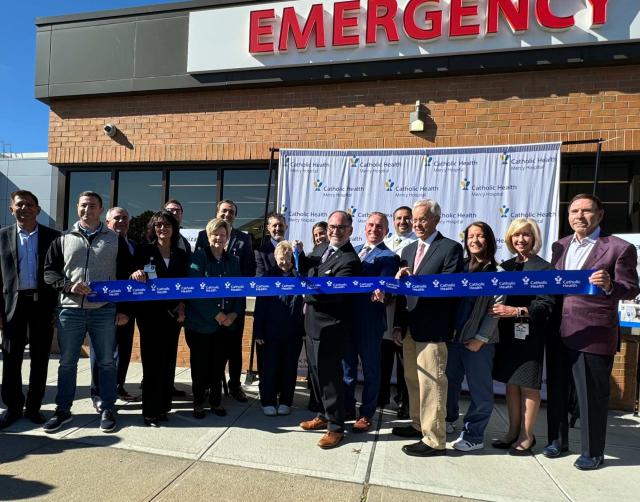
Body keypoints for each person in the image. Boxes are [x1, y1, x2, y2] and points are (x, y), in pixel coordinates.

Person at [549, 194, 639, 470]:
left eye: (586, 211)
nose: (579, 216)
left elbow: (632, 288)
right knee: (556, 390)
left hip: (593, 332)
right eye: (574, 211)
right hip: (558, 330)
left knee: (591, 396)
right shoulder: (560, 245)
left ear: (599, 215)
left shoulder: (619, 248)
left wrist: (611, 284)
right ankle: (557, 440)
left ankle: (592, 452)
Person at [43, 191, 132, 433]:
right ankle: (62, 410)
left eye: (92, 206)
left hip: (104, 311)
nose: (87, 209)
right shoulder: (62, 238)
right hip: (70, 311)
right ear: (77, 207)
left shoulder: (115, 239)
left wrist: (123, 309)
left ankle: (107, 408)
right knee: (67, 363)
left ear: (100, 210)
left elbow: (126, 275)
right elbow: (49, 273)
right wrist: (69, 286)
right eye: (83, 205)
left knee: (105, 363)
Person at [392, 199, 464, 457]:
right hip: (410, 327)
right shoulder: (408, 250)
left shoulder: (451, 249)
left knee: (432, 383)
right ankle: (417, 424)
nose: (417, 223)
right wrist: (399, 324)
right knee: (412, 379)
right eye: (415, 219)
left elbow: (448, 288)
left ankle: (434, 440)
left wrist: (416, 281)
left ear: (436, 219)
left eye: (423, 219)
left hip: (434, 328)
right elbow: (402, 292)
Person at [491, 218, 554, 456]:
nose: (521, 239)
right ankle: (512, 431)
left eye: (526, 235)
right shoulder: (505, 267)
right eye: (516, 235)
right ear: (510, 238)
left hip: (530, 334)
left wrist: (516, 311)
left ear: (534, 238)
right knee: (511, 384)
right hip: (507, 334)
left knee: (528, 385)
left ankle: (528, 436)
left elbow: (546, 304)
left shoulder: (545, 268)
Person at [299, 210, 362, 449]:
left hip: (330, 327)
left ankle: (336, 428)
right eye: (332, 227)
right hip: (312, 324)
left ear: (350, 231)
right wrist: (296, 255)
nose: (335, 231)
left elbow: (335, 296)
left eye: (340, 228)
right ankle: (324, 415)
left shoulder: (349, 260)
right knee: (315, 375)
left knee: (329, 378)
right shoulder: (320, 249)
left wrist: (306, 290)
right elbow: (306, 267)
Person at [0, 190, 60, 429]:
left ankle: (34, 407)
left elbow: (59, 273)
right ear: (11, 209)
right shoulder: (2, 237)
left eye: (29, 205)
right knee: (11, 360)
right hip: (12, 307)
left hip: (42, 306)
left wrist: (57, 308)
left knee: (40, 359)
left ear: (38, 209)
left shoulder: (53, 238)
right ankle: (13, 408)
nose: (24, 208)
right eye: (19, 205)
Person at [445, 221, 503, 452]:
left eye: (480, 236)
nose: (475, 240)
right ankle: (448, 419)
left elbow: (496, 308)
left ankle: (474, 435)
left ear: (488, 240)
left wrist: (481, 338)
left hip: (479, 341)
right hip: (453, 338)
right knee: (449, 384)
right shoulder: (460, 266)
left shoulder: (496, 272)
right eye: (471, 236)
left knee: (480, 391)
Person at [130, 211, 188, 427]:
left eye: (166, 225)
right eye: (158, 225)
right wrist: (135, 274)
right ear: (153, 229)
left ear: (174, 228)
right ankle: (150, 412)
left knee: (168, 363)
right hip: (150, 317)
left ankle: (163, 407)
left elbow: (185, 286)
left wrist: (182, 306)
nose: (162, 229)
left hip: (173, 317)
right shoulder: (144, 250)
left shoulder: (181, 255)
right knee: (152, 364)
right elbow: (131, 275)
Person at [343, 212, 399, 433]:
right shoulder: (352, 251)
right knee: (346, 369)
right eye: (371, 225)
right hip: (347, 320)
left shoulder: (389, 256)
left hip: (370, 321)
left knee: (371, 370)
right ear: (364, 227)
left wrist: (382, 289)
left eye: (380, 226)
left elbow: (385, 278)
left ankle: (366, 413)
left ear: (386, 231)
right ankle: (347, 407)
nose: (374, 229)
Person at [196, 199, 255, 402]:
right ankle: (207, 387)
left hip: (233, 306)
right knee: (210, 350)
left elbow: (247, 271)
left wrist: (235, 309)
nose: (227, 214)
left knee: (234, 348)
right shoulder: (204, 236)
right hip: (210, 308)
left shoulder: (243, 238)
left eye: (231, 212)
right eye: (224, 211)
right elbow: (199, 270)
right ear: (217, 212)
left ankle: (235, 385)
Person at [185, 218, 243, 418]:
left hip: (226, 325)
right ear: (208, 236)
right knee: (200, 367)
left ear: (228, 237)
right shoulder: (198, 258)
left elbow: (239, 290)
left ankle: (216, 401)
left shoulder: (233, 261)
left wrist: (234, 313)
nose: (219, 238)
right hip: (201, 325)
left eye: (223, 234)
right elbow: (195, 292)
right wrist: (217, 314)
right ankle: (198, 402)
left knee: (218, 365)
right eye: (215, 234)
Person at [89, 207, 138, 405]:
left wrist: (126, 311)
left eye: (125, 218)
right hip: (104, 309)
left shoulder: (134, 244)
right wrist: (116, 310)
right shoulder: (100, 244)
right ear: (107, 221)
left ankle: (118, 387)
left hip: (128, 308)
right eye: (116, 218)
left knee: (124, 352)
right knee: (101, 353)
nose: (121, 221)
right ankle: (98, 394)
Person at [254, 241, 304, 416]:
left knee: (289, 369)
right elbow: (259, 308)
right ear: (275, 258)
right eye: (281, 259)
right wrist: (258, 332)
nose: (284, 262)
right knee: (269, 369)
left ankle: (285, 401)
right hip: (270, 333)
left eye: (287, 258)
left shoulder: (299, 277)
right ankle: (267, 401)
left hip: (293, 332)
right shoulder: (267, 278)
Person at [381, 206, 416, 418]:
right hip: (384, 309)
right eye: (398, 218)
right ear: (393, 221)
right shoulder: (384, 243)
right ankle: (380, 398)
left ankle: (404, 402)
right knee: (382, 358)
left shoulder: (417, 245)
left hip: (404, 310)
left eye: (407, 218)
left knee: (405, 362)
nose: (402, 222)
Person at [255, 212, 287, 277]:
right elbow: (260, 277)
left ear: (286, 227)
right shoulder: (260, 252)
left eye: (280, 225)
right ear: (268, 228)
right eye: (274, 225)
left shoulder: (294, 249)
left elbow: (302, 272)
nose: (278, 228)